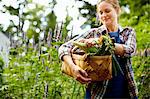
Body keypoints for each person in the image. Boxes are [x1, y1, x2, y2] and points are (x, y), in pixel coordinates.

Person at [58, 0, 138, 98]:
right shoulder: (93, 33)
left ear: (117, 10)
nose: (104, 15)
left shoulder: (127, 32)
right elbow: (64, 47)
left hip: (125, 93)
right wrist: (73, 68)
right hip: (97, 94)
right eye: (101, 12)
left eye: (107, 11)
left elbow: (129, 50)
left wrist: (99, 42)